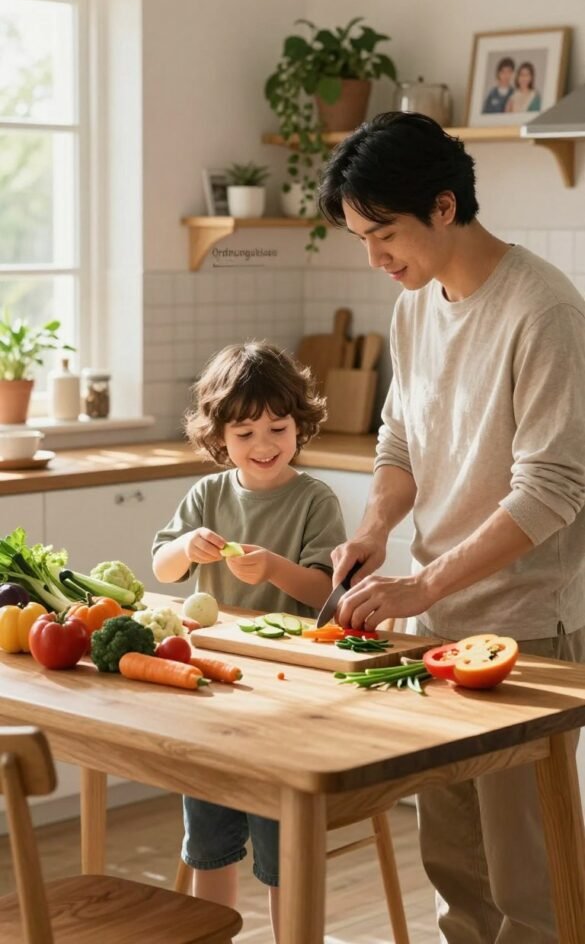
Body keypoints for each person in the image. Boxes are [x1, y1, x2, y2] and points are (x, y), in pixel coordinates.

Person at [318, 110, 585, 944]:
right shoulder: (414, 308)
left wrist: (424, 581)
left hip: (523, 631)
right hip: (435, 626)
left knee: (529, 882)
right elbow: (401, 439)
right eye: (360, 236)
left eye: (383, 232)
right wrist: (374, 529)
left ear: (443, 207)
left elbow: (549, 491)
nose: (374, 256)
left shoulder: (542, 310)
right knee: (455, 871)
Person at [151, 340, 345, 944]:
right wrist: (186, 548)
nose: (263, 446)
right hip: (210, 688)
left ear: (299, 426)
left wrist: (274, 569)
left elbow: (325, 594)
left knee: (279, 841)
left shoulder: (315, 500)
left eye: (277, 428)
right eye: (244, 433)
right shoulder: (207, 496)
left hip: (285, 696)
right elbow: (161, 567)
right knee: (208, 839)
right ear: (219, 439)